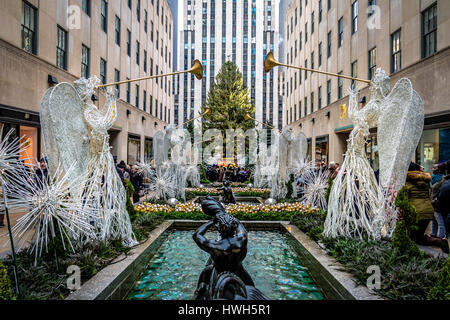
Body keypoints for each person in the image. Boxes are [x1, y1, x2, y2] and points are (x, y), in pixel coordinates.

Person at [193, 197, 255, 300]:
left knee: (206, 272)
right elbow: (240, 227)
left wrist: (212, 221)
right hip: (239, 272)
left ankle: (199, 292)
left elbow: (197, 235)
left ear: (218, 228)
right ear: (234, 226)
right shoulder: (241, 240)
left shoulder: (215, 247)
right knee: (251, 288)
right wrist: (230, 217)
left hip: (219, 276)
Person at [405, 162, 449, 253]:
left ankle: (440, 243)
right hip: (427, 210)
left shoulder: (407, 180)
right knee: (416, 237)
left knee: (416, 238)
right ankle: (438, 242)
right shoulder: (424, 179)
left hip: (417, 212)